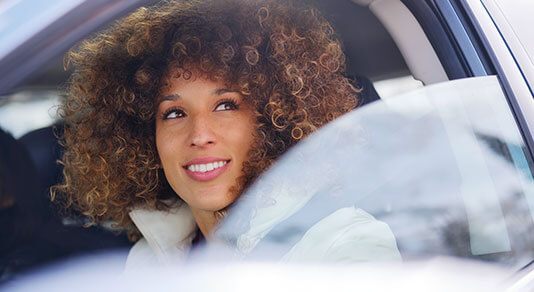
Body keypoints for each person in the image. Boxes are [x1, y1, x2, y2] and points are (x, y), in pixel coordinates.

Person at [52, 0, 400, 267]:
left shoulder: (344, 245)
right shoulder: (146, 260)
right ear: (144, 138)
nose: (199, 134)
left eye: (225, 106)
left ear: (273, 116)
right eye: (174, 113)